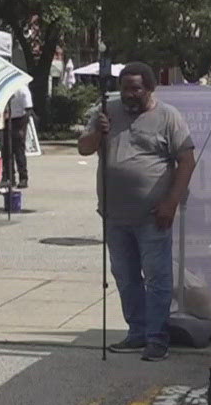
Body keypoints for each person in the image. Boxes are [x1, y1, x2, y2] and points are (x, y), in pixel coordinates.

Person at [78, 61, 196, 362]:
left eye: (135, 89)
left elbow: (186, 161)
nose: (129, 94)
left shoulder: (168, 117)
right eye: (125, 88)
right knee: (125, 276)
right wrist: (98, 133)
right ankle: (137, 332)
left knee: (157, 278)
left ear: (150, 88)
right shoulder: (107, 111)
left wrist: (171, 202)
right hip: (114, 215)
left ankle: (157, 338)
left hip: (152, 215)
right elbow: (84, 148)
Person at [3, 82, 34, 188]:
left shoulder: (22, 89)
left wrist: (22, 128)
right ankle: (10, 177)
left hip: (19, 120)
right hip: (7, 119)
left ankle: (23, 178)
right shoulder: (5, 88)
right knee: (7, 152)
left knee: (19, 151)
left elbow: (28, 110)